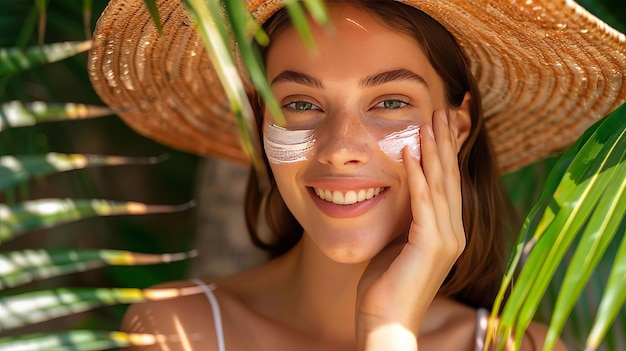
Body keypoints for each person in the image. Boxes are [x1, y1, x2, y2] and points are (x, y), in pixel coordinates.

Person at [88, 0, 625, 350]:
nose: (341, 148)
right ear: (262, 123)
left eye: (390, 101)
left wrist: (388, 326)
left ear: (457, 129)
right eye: (300, 103)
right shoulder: (178, 332)